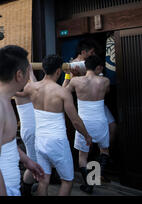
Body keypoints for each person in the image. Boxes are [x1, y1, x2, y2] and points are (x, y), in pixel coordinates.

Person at [0, 45, 44, 196]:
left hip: (6, 187)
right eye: (27, 72)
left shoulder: (3, 100)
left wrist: (26, 161)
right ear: (19, 75)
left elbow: (5, 142)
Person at [24, 55, 92, 196]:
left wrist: (29, 72)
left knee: (43, 180)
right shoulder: (62, 92)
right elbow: (75, 121)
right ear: (58, 71)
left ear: (43, 69)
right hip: (57, 142)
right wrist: (86, 135)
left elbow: (25, 87)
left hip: (40, 140)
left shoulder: (32, 87)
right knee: (67, 180)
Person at [66, 55, 111, 193]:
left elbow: (65, 92)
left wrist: (71, 75)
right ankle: (95, 179)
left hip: (83, 122)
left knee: (83, 156)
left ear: (85, 66)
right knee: (104, 150)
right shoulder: (105, 81)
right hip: (100, 121)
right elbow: (107, 91)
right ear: (98, 67)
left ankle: (89, 185)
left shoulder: (76, 81)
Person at [14, 64, 38, 196]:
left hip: (29, 130)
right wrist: (31, 73)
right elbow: (36, 87)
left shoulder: (21, 91)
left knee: (34, 160)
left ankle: (28, 187)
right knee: (33, 161)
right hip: (30, 131)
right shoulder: (22, 91)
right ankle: (26, 189)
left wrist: (29, 72)